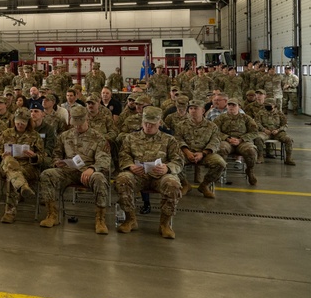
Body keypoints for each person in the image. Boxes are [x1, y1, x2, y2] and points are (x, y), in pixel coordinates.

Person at [39, 105, 112, 234]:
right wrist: (57, 162)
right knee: (47, 174)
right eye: (75, 123)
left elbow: (104, 159)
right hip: (68, 170)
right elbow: (56, 154)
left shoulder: (98, 137)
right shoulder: (65, 136)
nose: (77, 126)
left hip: (88, 171)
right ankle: (52, 214)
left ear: (87, 119)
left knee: (100, 178)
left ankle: (100, 219)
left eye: (80, 123)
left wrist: (92, 168)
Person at [115, 106, 183, 239]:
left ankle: (165, 224)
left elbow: (179, 161)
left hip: (160, 176)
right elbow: (124, 155)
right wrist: (130, 166)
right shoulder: (131, 138)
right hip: (138, 175)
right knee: (122, 179)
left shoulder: (169, 140)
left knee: (173, 184)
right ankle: (130, 219)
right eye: (146, 123)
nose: (148, 126)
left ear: (159, 123)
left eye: (152, 124)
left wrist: (167, 168)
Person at [0, 108, 45, 224]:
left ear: (28, 122)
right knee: (9, 161)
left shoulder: (35, 136)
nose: (20, 124)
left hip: (27, 166)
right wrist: (1, 155)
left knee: (11, 175)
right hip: (7, 163)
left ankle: (10, 213)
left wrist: (34, 156)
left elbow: (42, 156)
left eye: (23, 122)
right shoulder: (6, 133)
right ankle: (22, 186)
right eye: (17, 122)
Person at [174, 100, 226, 198]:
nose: (193, 111)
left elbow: (215, 141)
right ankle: (185, 184)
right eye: (191, 108)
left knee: (220, 164)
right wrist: (187, 152)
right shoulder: (181, 125)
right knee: (173, 161)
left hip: (205, 154)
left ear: (202, 110)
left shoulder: (212, 126)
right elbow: (177, 139)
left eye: (196, 108)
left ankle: (205, 185)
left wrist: (203, 153)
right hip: (186, 153)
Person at [215, 98, 259, 186]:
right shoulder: (221, 118)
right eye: (229, 105)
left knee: (251, 150)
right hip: (227, 141)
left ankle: (250, 171)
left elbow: (254, 132)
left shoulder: (246, 118)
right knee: (221, 149)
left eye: (234, 105)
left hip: (242, 141)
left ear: (239, 107)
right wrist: (227, 138)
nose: (231, 107)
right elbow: (214, 131)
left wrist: (240, 139)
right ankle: (219, 172)